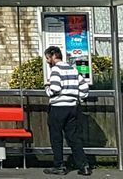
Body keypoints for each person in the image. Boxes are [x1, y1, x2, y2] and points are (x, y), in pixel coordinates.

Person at [43, 45, 91, 176]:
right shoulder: (73, 69)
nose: (47, 61)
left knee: (56, 137)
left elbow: (55, 88)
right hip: (72, 108)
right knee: (73, 138)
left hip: (58, 108)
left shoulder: (55, 70)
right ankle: (84, 166)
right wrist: (77, 98)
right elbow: (85, 88)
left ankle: (59, 166)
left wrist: (47, 89)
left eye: (48, 58)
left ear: (53, 56)